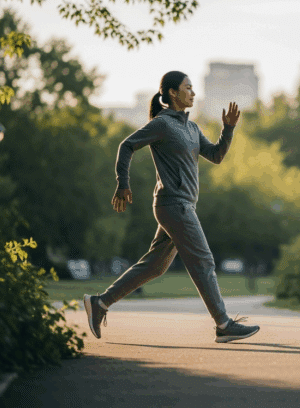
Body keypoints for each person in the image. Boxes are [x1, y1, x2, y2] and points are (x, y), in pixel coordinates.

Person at [83, 71, 260, 343]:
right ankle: (223, 324)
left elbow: (215, 156)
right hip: (173, 204)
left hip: (181, 206)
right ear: (172, 93)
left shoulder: (192, 128)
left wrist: (228, 129)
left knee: (154, 266)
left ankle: (100, 302)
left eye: (193, 88)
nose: (193, 93)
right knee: (204, 261)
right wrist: (123, 183)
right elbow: (127, 145)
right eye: (188, 88)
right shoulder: (162, 124)